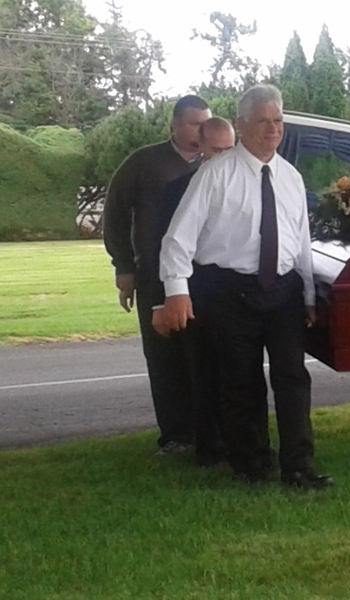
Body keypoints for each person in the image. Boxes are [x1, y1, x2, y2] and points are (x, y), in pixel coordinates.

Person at [159, 84, 332, 490]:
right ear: (240, 125)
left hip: (285, 292)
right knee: (241, 382)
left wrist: (307, 294)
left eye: (278, 120)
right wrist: (175, 290)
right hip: (229, 292)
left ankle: (298, 467)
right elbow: (178, 237)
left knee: (293, 379)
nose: (272, 130)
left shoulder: (290, 177)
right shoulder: (215, 174)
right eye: (262, 121)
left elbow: (299, 240)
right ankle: (251, 464)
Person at [103, 94, 212, 456]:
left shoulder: (216, 164)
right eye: (195, 123)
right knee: (164, 358)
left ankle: (209, 433)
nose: (202, 130)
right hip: (153, 276)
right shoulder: (145, 163)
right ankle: (176, 435)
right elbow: (115, 214)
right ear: (175, 124)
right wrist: (124, 267)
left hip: (203, 278)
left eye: (206, 123)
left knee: (204, 357)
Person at [151, 117, 236, 467]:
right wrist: (165, 299)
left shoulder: (243, 185)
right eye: (217, 150)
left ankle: (237, 441)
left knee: (235, 371)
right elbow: (164, 247)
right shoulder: (177, 190)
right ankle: (209, 448)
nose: (224, 157)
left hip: (232, 293)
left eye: (231, 150)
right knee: (201, 371)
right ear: (199, 147)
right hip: (192, 293)